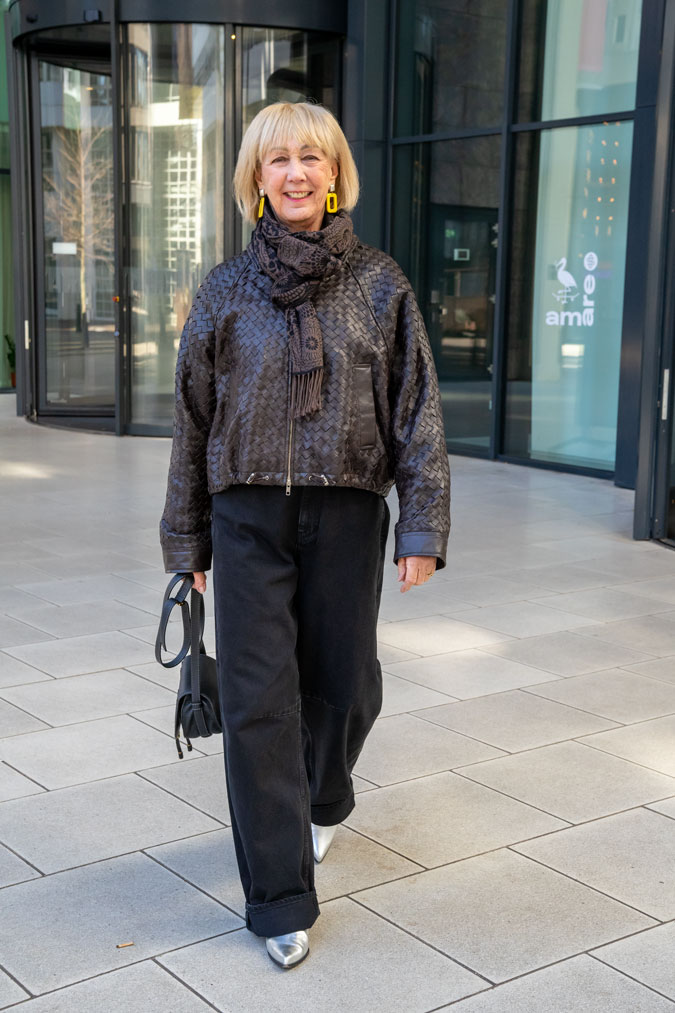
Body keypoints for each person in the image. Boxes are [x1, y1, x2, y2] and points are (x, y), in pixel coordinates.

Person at [159, 100, 451, 969]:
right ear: (256, 177)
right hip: (247, 518)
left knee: (346, 684)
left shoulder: (380, 283)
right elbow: (190, 423)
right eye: (278, 158)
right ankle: (278, 899)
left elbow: (417, 410)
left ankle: (323, 796)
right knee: (257, 703)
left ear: (333, 176)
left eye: (311, 158)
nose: (295, 173)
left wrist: (422, 523)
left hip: (349, 514)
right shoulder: (222, 290)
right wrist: (189, 544)